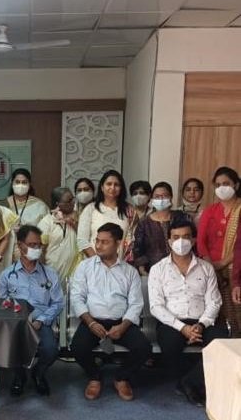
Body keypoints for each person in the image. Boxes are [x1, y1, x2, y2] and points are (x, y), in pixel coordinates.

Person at [148, 217, 226, 406]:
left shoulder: (206, 268)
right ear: (169, 240)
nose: (181, 242)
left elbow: (214, 301)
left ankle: (189, 382)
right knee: (170, 346)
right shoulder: (158, 269)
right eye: (176, 237)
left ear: (193, 240)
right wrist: (182, 328)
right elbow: (156, 306)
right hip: (172, 322)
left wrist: (201, 324)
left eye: (186, 236)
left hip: (203, 321)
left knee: (221, 344)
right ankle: (194, 382)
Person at [70, 222, 151, 401]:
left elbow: (136, 304)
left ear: (118, 243)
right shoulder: (85, 267)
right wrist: (91, 322)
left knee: (144, 348)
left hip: (121, 322)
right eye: (97, 241)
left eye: (105, 242)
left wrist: (123, 326)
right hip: (92, 320)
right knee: (77, 347)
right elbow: (76, 298)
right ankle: (94, 376)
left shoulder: (130, 272)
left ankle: (121, 377)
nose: (98, 246)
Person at [0, 225, 63, 396]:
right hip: (16, 323)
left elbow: (58, 303)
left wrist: (41, 320)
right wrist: (17, 318)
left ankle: (38, 374)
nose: (37, 249)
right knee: (7, 347)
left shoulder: (50, 274)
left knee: (51, 350)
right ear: (20, 245)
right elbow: (2, 303)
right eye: (32, 245)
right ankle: (19, 376)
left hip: (41, 323)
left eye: (39, 245)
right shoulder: (7, 275)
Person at [197, 166, 241, 336]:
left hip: (236, 268)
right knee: (220, 315)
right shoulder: (210, 210)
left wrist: (222, 263)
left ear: (236, 185)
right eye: (218, 185)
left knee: (238, 312)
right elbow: (201, 241)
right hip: (212, 271)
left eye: (226, 184)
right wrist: (210, 266)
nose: (221, 188)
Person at [133, 182, 188, 275]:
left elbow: (190, 240)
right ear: (152, 199)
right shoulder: (144, 223)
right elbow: (138, 248)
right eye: (157, 196)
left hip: (181, 268)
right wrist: (142, 269)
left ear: (171, 197)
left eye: (164, 196)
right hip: (153, 270)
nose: (161, 199)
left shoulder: (181, 217)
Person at [77, 170, 133, 258]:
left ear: (121, 188)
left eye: (116, 185)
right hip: (94, 263)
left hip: (120, 263)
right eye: (109, 184)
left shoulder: (128, 210)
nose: (112, 187)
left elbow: (131, 240)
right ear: (102, 187)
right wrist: (98, 262)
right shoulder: (91, 209)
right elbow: (82, 240)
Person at [38, 187, 81, 289]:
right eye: (68, 201)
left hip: (74, 274)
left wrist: (73, 224)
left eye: (73, 199)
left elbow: (84, 239)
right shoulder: (47, 222)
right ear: (58, 203)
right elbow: (40, 251)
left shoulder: (78, 218)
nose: (73, 202)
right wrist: (43, 275)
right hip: (51, 273)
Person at [123, 180, 152, 263]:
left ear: (149, 195)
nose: (138, 196)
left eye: (142, 193)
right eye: (135, 193)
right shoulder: (126, 212)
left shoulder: (153, 213)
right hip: (127, 255)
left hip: (147, 255)